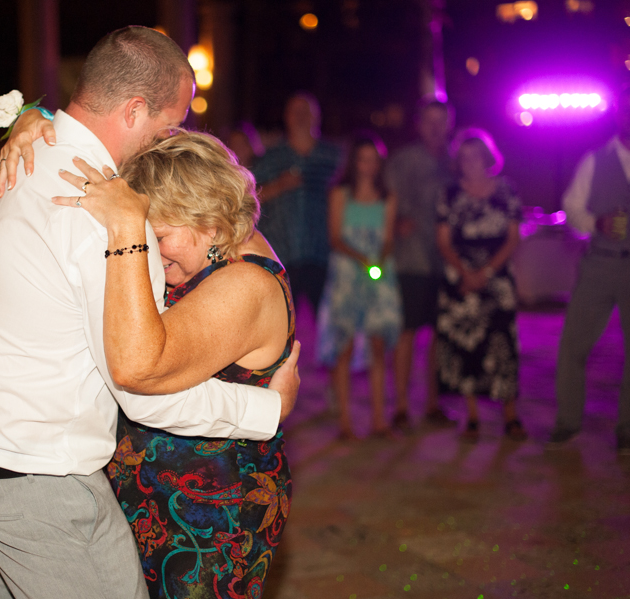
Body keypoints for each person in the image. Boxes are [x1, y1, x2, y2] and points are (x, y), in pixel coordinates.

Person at [0, 27, 299, 599]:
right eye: (170, 123)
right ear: (133, 110)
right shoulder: (103, 214)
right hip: (36, 479)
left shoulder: (38, 154)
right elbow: (140, 376)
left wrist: (31, 117)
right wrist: (266, 409)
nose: (172, 137)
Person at [50, 131, 295, 599]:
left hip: (209, 514)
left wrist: (126, 234)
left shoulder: (245, 285)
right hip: (163, 496)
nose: (153, 255)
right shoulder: (210, 256)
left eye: (158, 237)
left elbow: (145, 366)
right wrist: (33, 121)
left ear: (210, 219)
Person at [549, 86, 630, 454]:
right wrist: (596, 223)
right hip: (599, 264)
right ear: (619, 114)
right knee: (573, 345)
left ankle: (627, 428)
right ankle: (568, 421)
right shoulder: (595, 160)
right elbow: (572, 209)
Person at [435, 129, 526, 442]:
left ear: (488, 158)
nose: (470, 162)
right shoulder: (450, 194)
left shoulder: (506, 190)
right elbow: (444, 241)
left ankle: (511, 415)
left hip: (496, 278)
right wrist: (466, 273)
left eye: (476, 155)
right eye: (464, 157)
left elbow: (514, 237)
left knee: (503, 345)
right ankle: (471, 417)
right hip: (460, 279)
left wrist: (485, 273)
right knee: (465, 346)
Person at [317, 135, 402, 440]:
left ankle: (379, 420)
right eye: (362, 159)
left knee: (379, 345)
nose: (368, 166)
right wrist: (363, 259)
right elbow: (335, 237)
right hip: (347, 273)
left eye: (373, 159)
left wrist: (380, 258)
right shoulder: (340, 192)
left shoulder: (387, 195)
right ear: (353, 162)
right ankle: (345, 423)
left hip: (378, 275)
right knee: (345, 345)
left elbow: (389, 237)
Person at [385, 99, 456, 431]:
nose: (435, 128)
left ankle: (432, 403)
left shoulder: (456, 162)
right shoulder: (403, 161)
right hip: (410, 260)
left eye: (441, 121)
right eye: (429, 121)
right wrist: (395, 223)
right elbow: (386, 203)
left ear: (449, 125)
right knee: (407, 333)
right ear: (419, 124)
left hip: (446, 263)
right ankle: (400, 405)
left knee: (441, 335)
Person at [253, 92, 343, 318]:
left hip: (324, 253)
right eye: (296, 111)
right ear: (286, 117)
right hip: (281, 253)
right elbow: (247, 199)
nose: (301, 117)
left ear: (318, 117)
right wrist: (278, 185)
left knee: (326, 328)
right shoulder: (270, 157)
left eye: (307, 111)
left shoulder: (333, 158)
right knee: (280, 324)